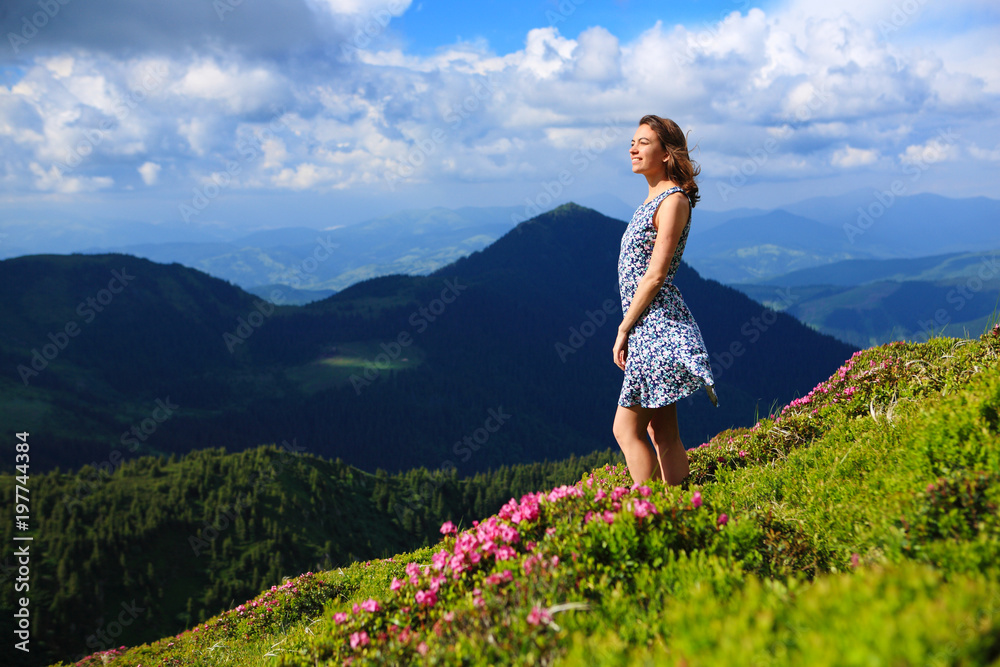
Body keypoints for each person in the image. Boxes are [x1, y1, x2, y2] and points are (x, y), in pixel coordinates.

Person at [612, 114, 717, 486]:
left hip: (657, 327)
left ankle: (646, 510)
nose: (633, 148)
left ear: (667, 153)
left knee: (625, 429)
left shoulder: (672, 200)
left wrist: (624, 328)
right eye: (632, 142)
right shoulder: (654, 198)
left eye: (643, 142)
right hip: (649, 328)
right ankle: (682, 505)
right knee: (662, 432)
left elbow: (656, 274)